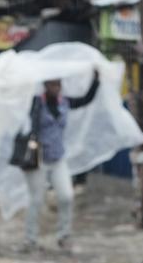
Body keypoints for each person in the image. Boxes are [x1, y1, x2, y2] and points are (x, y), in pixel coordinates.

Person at [22, 70, 99, 251]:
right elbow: (26, 121)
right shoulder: (37, 102)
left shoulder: (64, 102)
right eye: (52, 84)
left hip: (58, 158)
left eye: (58, 84)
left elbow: (85, 99)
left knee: (66, 196)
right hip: (39, 158)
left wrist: (96, 80)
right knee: (36, 199)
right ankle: (30, 239)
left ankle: (64, 236)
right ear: (45, 85)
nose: (56, 88)